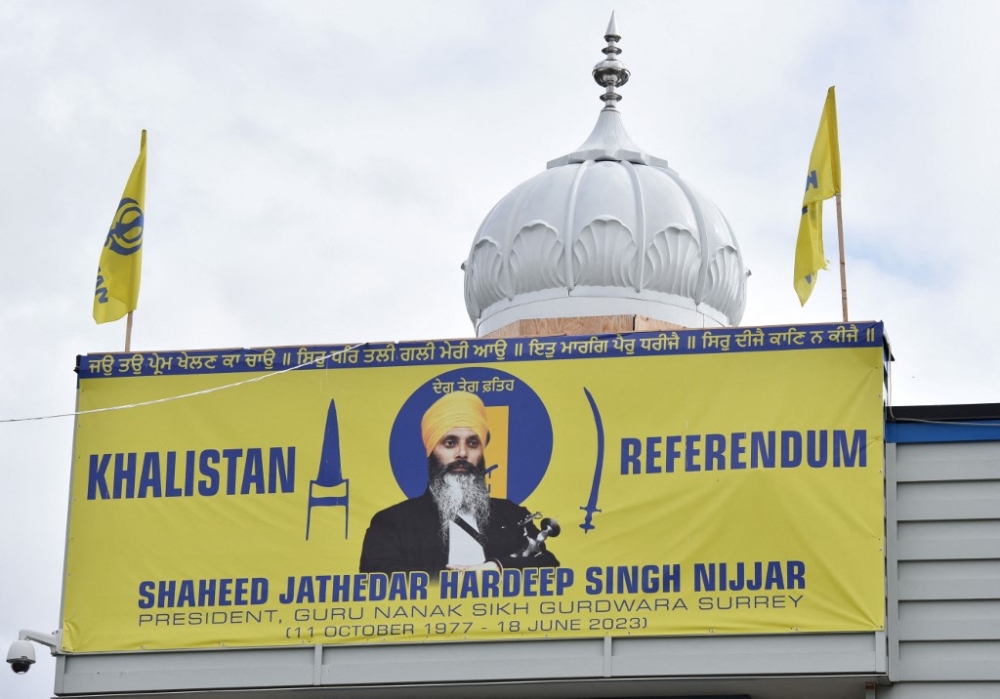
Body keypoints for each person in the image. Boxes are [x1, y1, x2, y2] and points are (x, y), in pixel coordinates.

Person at [359, 390, 559, 574]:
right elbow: (377, 575)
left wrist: (495, 568)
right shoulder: (393, 522)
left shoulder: (512, 516)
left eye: (473, 443)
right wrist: (457, 582)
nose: (462, 453)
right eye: (450, 443)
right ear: (431, 452)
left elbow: (549, 566)